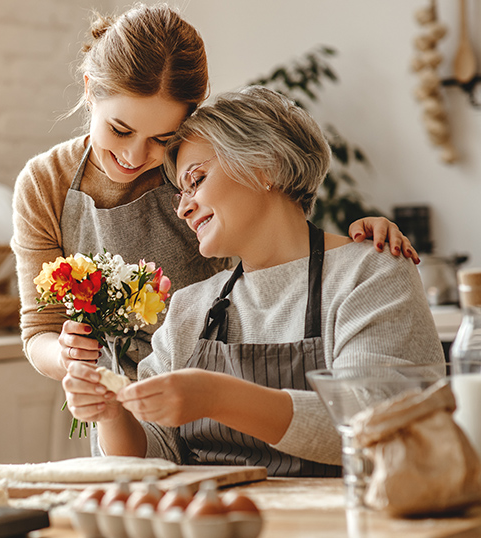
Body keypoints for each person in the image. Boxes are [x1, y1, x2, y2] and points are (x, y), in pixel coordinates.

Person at [12, 3, 417, 389]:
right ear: (89, 91)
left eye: (162, 138)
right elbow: (39, 330)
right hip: (113, 405)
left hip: (212, 393)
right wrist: (69, 356)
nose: (134, 156)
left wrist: (353, 249)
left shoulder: (193, 167)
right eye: (120, 130)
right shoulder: (45, 184)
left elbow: (276, 250)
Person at [61, 86, 444, 475]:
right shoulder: (190, 308)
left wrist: (218, 397)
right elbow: (154, 454)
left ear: (265, 166)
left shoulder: (370, 273)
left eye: (197, 179)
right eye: (180, 193)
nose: (182, 208)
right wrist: (112, 415)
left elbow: (376, 422)